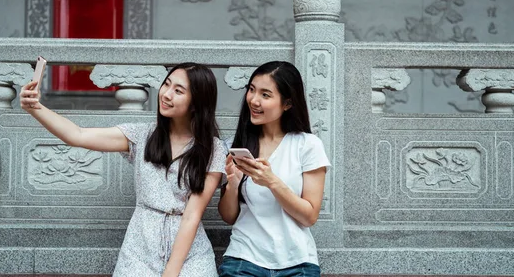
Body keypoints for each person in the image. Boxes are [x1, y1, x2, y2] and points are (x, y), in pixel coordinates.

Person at [20, 62, 226, 277]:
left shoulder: (212, 149)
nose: (166, 94)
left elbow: (192, 216)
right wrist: (36, 108)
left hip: (189, 254)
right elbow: (77, 135)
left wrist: (171, 272)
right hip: (140, 248)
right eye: (166, 84)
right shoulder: (141, 136)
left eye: (178, 91)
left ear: (196, 103)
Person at [218, 61, 331, 277]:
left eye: (265, 94)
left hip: (297, 263)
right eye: (251, 90)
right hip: (243, 259)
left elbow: (309, 217)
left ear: (287, 103)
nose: (254, 100)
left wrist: (272, 181)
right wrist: (233, 185)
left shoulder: (308, 145)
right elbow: (229, 216)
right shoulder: (236, 144)